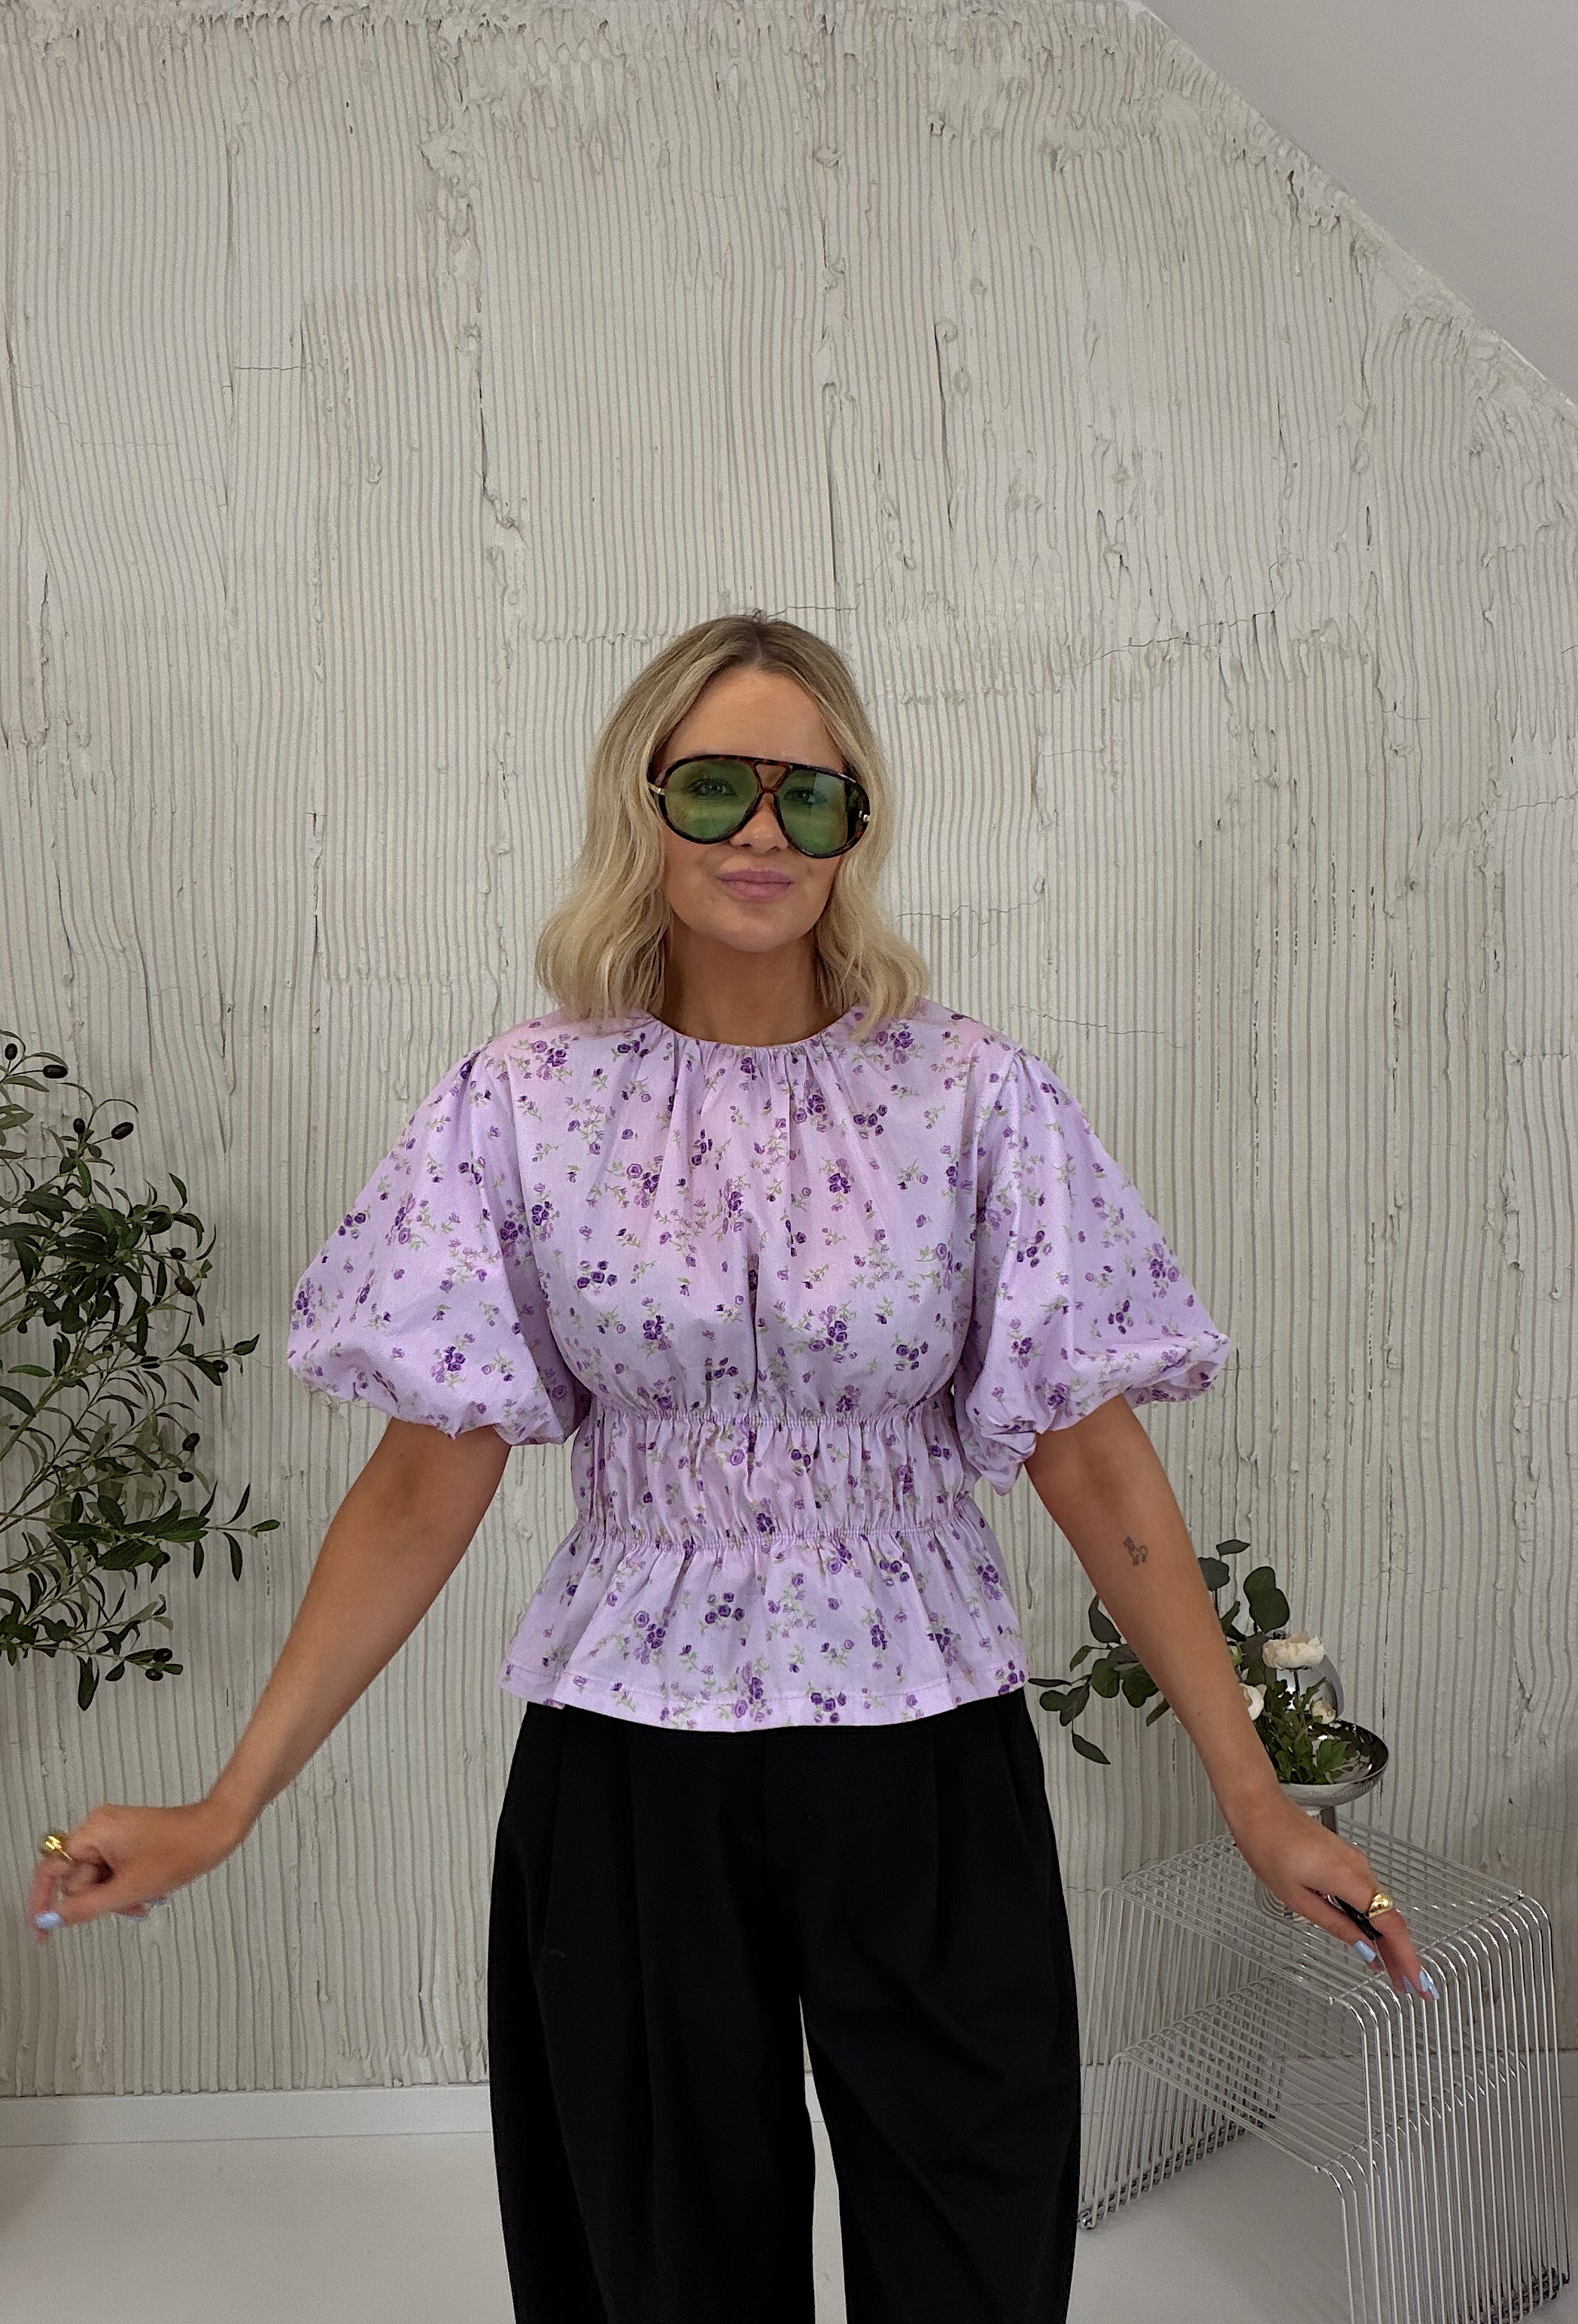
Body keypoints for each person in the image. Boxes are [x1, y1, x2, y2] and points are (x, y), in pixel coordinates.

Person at [26, 613, 1427, 2322]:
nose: (762, 831)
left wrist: (1254, 1795)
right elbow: (417, 1487)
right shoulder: (523, 1103)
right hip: (632, 1770)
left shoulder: (973, 1096)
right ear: (644, 803)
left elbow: (1096, 1462)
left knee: (977, 2246)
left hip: (925, 1753)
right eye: (714, 787)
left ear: (857, 828)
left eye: (808, 796)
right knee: (662, 2269)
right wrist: (227, 1802)